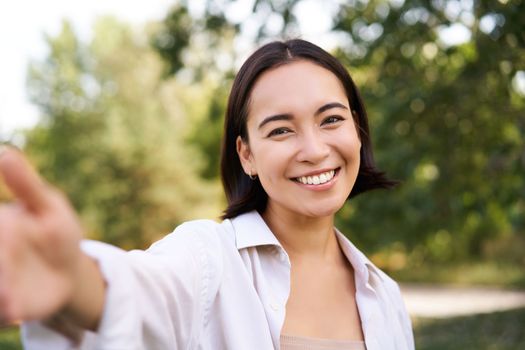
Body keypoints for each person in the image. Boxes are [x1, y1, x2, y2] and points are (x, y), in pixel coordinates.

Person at [0, 39, 414, 350]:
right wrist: (72, 279)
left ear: (356, 130)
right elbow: (139, 295)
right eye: (281, 130)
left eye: (331, 120)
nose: (314, 150)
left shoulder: (386, 295)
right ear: (246, 155)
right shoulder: (206, 258)